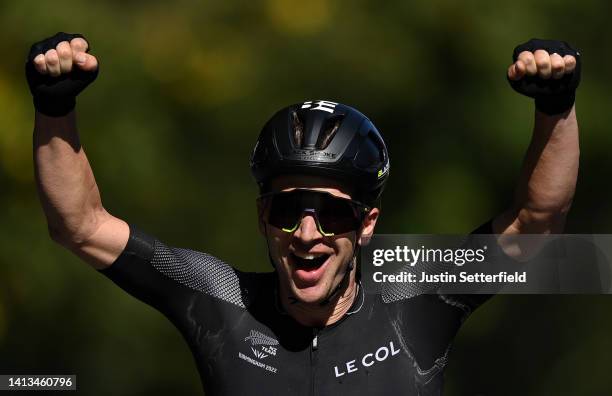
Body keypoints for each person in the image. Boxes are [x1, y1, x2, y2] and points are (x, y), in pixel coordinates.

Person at [27, 32, 581, 395]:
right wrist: (55, 109)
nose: (308, 233)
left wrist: (556, 109)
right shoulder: (218, 298)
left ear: (366, 224)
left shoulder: (419, 292)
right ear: (263, 216)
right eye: (289, 209)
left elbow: (533, 226)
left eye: (332, 214)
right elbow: (80, 225)